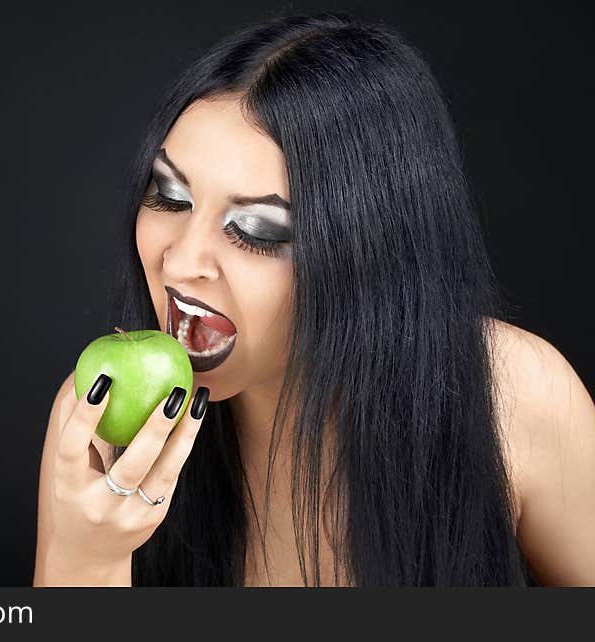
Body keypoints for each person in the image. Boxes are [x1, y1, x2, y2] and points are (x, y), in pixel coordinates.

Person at [34, 12, 595, 586]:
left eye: (256, 229)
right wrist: (88, 557)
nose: (181, 262)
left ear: (372, 248)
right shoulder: (94, 421)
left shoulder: (517, 396)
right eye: (170, 196)